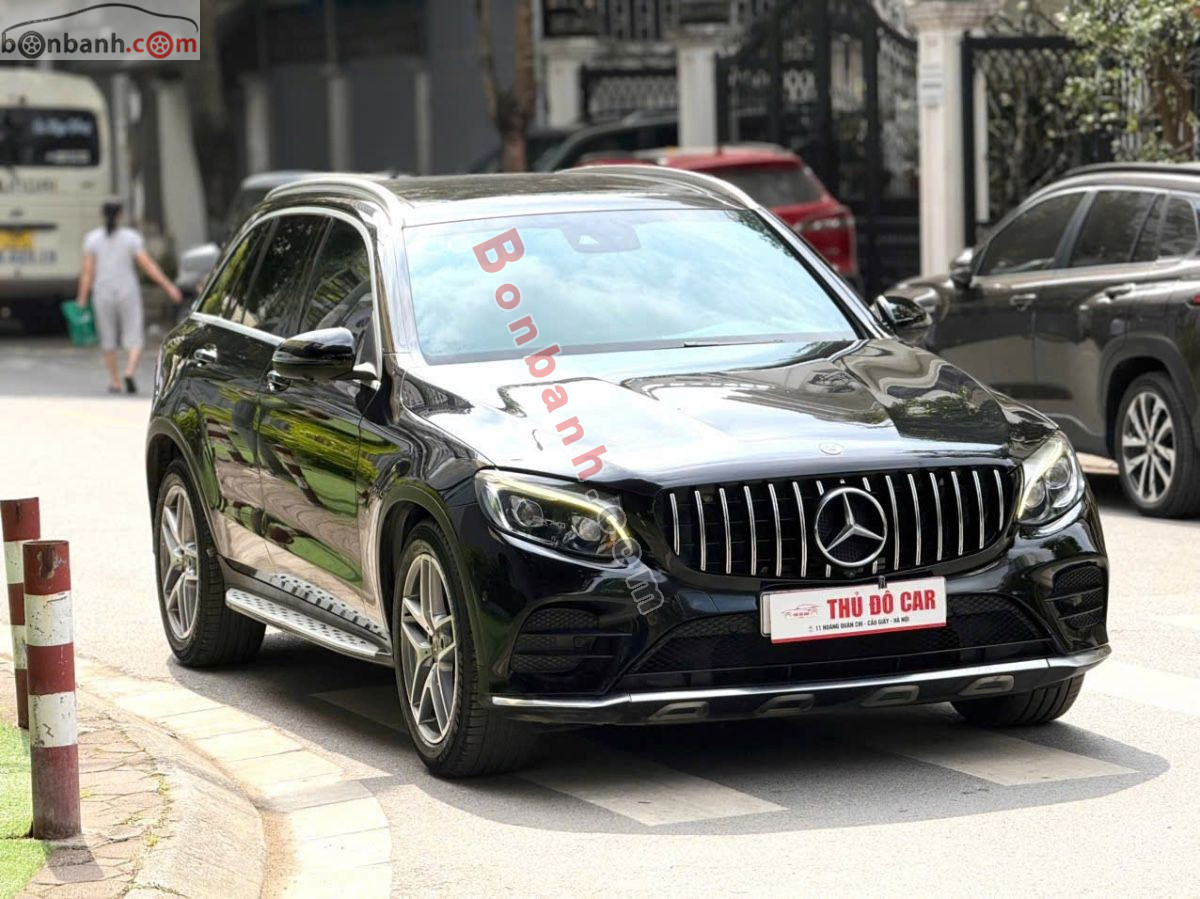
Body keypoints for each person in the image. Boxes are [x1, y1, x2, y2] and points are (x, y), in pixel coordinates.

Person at [76, 200, 181, 394]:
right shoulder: (131, 238)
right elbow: (147, 264)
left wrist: (82, 298)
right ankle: (130, 371)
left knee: (107, 336)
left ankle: (115, 381)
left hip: (103, 291)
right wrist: (169, 286)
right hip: (127, 291)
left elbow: (88, 272)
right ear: (120, 215)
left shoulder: (92, 239)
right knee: (134, 334)